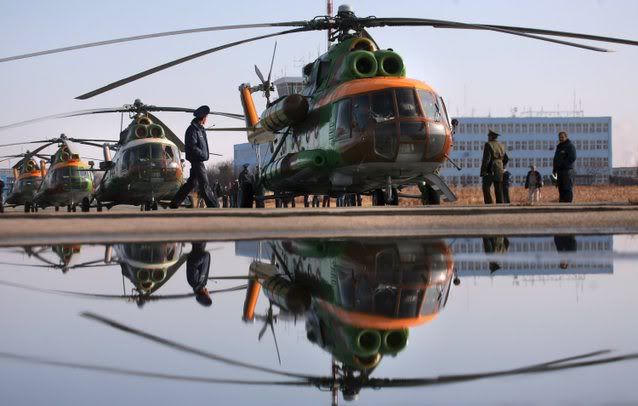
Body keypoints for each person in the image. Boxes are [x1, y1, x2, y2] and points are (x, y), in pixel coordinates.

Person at [169, 106, 218, 208]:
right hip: (197, 160)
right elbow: (192, 146)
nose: (207, 119)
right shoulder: (192, 130)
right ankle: (213, 205)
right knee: (204, 183)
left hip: (199, 159)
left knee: (191, 183)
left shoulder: (200, 130)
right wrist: (202, 154)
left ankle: (174, 203)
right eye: (206, 117)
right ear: (203, 118)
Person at [480, 130, 509, 204]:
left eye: (488, 136)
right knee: (498, 188)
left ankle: (489, 203)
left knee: (486, 187)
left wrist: (483, 171)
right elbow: (506, 159)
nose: (488, 137)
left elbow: (486, 159)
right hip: (499, 169)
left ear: (491, 137)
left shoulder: (488, 144)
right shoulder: (501, 145)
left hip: (490, 168)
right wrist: (502, 166)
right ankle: (500, 204)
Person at [552, 131, 577, 203]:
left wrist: (562, 164)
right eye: (559, 137)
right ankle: (562, 204)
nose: (561, 139)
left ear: (566, 137)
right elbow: (556, 159)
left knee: (567, 188)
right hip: (559, 171)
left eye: (562, 137)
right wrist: (554, 170)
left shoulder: (570, 146)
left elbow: (572, 157)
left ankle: (568, 205)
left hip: (567, 171)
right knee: (561, 188)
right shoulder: (559, 147)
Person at [186, 242, 212, 306]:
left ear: (205, 295)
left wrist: (203, 257)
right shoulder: (202, 283)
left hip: (197, 246)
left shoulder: (194, 282)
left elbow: (192, 265)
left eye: (208, 295)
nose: (209, 293)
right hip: (202, 247)